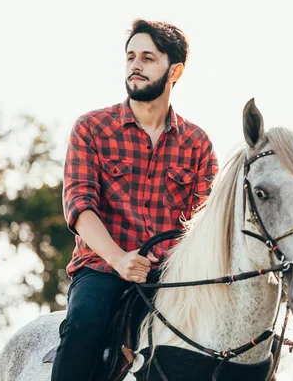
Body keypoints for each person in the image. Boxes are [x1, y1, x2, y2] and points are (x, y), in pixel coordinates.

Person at [52, 19, 219, 381]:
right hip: (101, 268)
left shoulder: (198, 144)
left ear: (175, 71)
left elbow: (206, 227)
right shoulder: (92, 127)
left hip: (171, 280)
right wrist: (120, 259)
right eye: (130, 57)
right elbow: (79, 206)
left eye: (147, 58)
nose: (135, 66)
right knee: (84, 324)